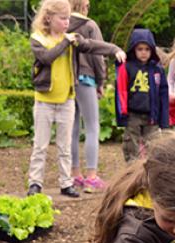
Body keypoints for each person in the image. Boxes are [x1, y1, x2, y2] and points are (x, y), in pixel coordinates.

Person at [27, 0, 125, 198]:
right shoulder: (38, 38)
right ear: (49, 18)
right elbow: (47, 58)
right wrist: (66, 41)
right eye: (63, 18)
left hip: (67, 100)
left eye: (68, 18)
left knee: (65, 145)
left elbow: (91, 45)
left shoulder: (72, 39)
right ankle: (35, 183)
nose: (66, 22)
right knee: (41, 145)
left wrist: (114, 49)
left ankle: (66, 182)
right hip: (45, 101)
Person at [68, 0, 107, 193]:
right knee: (92, 127)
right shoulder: (90, 25)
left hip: (69, 80)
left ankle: (75, 173)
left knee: (73, 128)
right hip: (87, 78)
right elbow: (98, 56)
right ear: (84, 6)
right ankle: (91, 176)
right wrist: (101, 81)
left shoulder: (64, 23)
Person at [115, 28, 169, 163]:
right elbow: (121, 90)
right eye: (140, 49)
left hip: (152, 117)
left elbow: (163, 95)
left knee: (154, 149)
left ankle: (150, 176)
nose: (144, 52)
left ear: (152, 50)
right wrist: (122, 115)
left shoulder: (157, 69)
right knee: (131, 149)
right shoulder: (127, 67)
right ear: (134, 49)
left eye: (147, 49)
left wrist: (164, 120)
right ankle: (132, 176)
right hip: (133, 115)